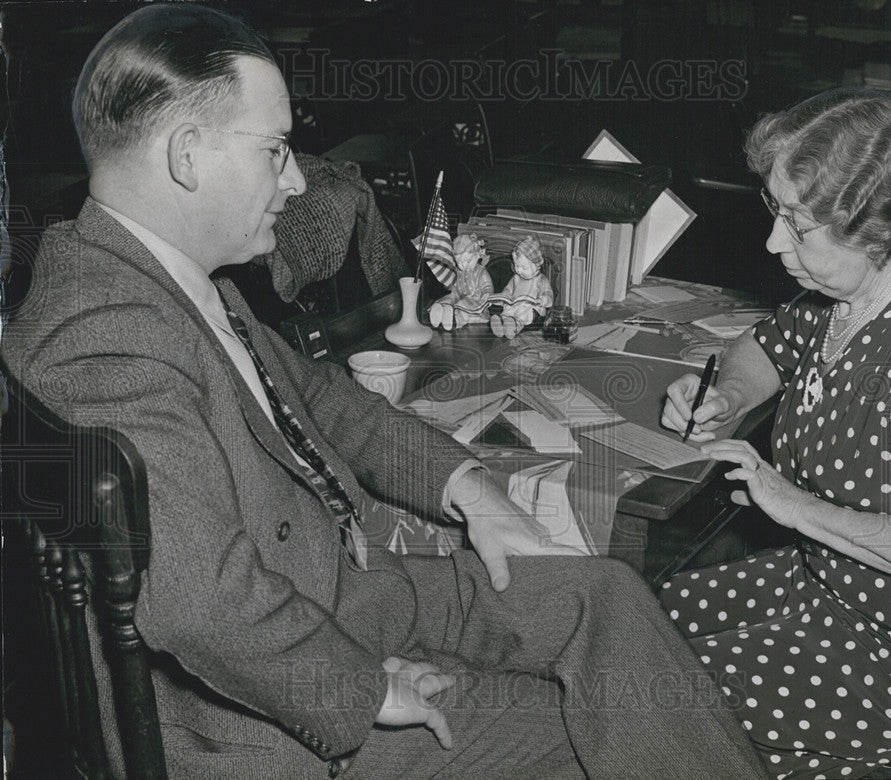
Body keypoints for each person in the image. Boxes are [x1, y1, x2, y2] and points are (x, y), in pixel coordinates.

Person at [0, 6, 769, 778]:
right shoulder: (102, 338)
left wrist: (467, 484)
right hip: (257, 720)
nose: (297, 179)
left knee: (604, 598)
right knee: (610, 723)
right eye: (276, 150)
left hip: (340, 594)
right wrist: (360, 687)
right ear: (187, 155)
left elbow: (325, 400)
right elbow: (197, 602)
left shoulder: (151, 273)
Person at [660, 88, 891, 778]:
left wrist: (790, 504)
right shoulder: (841, 297)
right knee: (636, 619)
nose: (773, 241)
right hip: (830, 585)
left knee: (659, 703)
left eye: (798, 226)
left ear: (873, 228)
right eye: (775, 211)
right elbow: (763, 349)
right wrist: (725, 394)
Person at [490, 234, 554, 339]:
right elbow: (508, 289)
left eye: (523, 267)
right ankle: (502, 323)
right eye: (516, 266)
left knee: (523, 312)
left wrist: (542, 300)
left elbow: (548, 295)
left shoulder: (540, 280)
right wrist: (505, 296)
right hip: (515, 304)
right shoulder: (516, 278)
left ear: (537, 264)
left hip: (533, 310)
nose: (519, 270)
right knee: (508, 309)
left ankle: (515, 325)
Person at [428, 233, 494, 330]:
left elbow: (487, 286)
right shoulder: (457, 270)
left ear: (477, 255)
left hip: (475, 300)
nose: (463, 264)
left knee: (463, 306)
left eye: (468, 261)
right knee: (448, 299)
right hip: (457, 295)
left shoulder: (481, 272)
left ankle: (455, 320)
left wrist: (487, 294)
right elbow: (452, 284)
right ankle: (440, 311)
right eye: (459, 261)